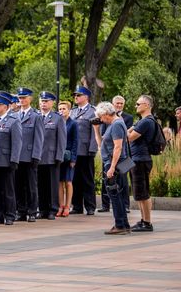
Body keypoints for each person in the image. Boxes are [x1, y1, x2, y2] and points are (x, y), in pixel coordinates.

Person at [93, 102, 130, 235]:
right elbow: (101, 144)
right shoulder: (113, 124)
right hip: (114, 162)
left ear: (106, 114)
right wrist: (96, 129)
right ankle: (124, 224)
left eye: (101, 117)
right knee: (116, 194)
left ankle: (120, 225)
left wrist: (112, 167)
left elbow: (118, 147)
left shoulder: (116, 124)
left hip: (116, 163)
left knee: (115, 194)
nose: (101, 120)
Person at [0, 93, 22, 225]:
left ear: (6, 106)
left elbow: (17, 142)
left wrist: (14, 160)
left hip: (6, 160)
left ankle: (10, 215)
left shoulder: (13, 121)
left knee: (8, 190)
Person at [99, 95, 133, 213]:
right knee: (107, 180)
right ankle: (105, 205)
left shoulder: (126, 118)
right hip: (109, 154)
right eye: (117, 103)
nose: (119, 105)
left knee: (123, 181)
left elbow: (124, 139)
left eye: (121, 103)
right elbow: (103, 136)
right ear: (112, 104)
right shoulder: (106, 118)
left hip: (122, 155)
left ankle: (125, 206)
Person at [127, 95, 156, 232]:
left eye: (138, 104)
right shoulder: (142, 121)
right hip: (136, 159)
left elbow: (129, 138)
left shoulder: (146, 122)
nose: (136, 106)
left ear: (147, 105)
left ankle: (147, 223)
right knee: (138, 193)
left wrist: (121, 129)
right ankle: (143, 220)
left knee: (143, 193)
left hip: (140, 160)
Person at [15, 87, 44, 222]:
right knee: (18, 185)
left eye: (24, 98)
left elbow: (39, 138)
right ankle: (21, 211)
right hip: (17, 156)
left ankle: (32, 211)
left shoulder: (36, 116)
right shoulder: (15, 115)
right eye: (20, 98)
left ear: (30, 99)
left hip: (29, 156)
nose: (22, 100)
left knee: (31, 185)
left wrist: (36, 156)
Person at [37, 92, 66, 220]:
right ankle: (42, 209)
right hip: (38, 157)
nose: (43, 103)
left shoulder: (57, 118)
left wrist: (59, 156)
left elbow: (62, 139)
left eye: (46, 101)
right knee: (40, 185)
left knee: (52, 185)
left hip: (51, 157)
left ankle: (52, 209)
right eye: (42, 101)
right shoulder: (36, 116)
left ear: (52, 103)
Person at [71, 86, 98, 215]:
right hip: (74, 151)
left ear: (86, 97)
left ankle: (90, 206)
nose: (76, 97)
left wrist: (92, 149)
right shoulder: (73, 112)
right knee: (75, 179)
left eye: (78, 95)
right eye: (75, 95)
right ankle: (77, 206)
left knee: (87, 179)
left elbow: (95, 132)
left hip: (86, 151)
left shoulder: (92, 112)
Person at [57, 101, 78, 217]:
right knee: (59, 182)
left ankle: (67, 206)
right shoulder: (57, 122)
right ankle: (60, 206)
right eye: (60, 109)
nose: (61, 111)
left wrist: (73, 159)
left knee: (68, 182)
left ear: (69, 110)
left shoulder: (73, 123)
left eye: (64, 109)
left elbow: (75, 141)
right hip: (58, 156)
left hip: (69, 156)